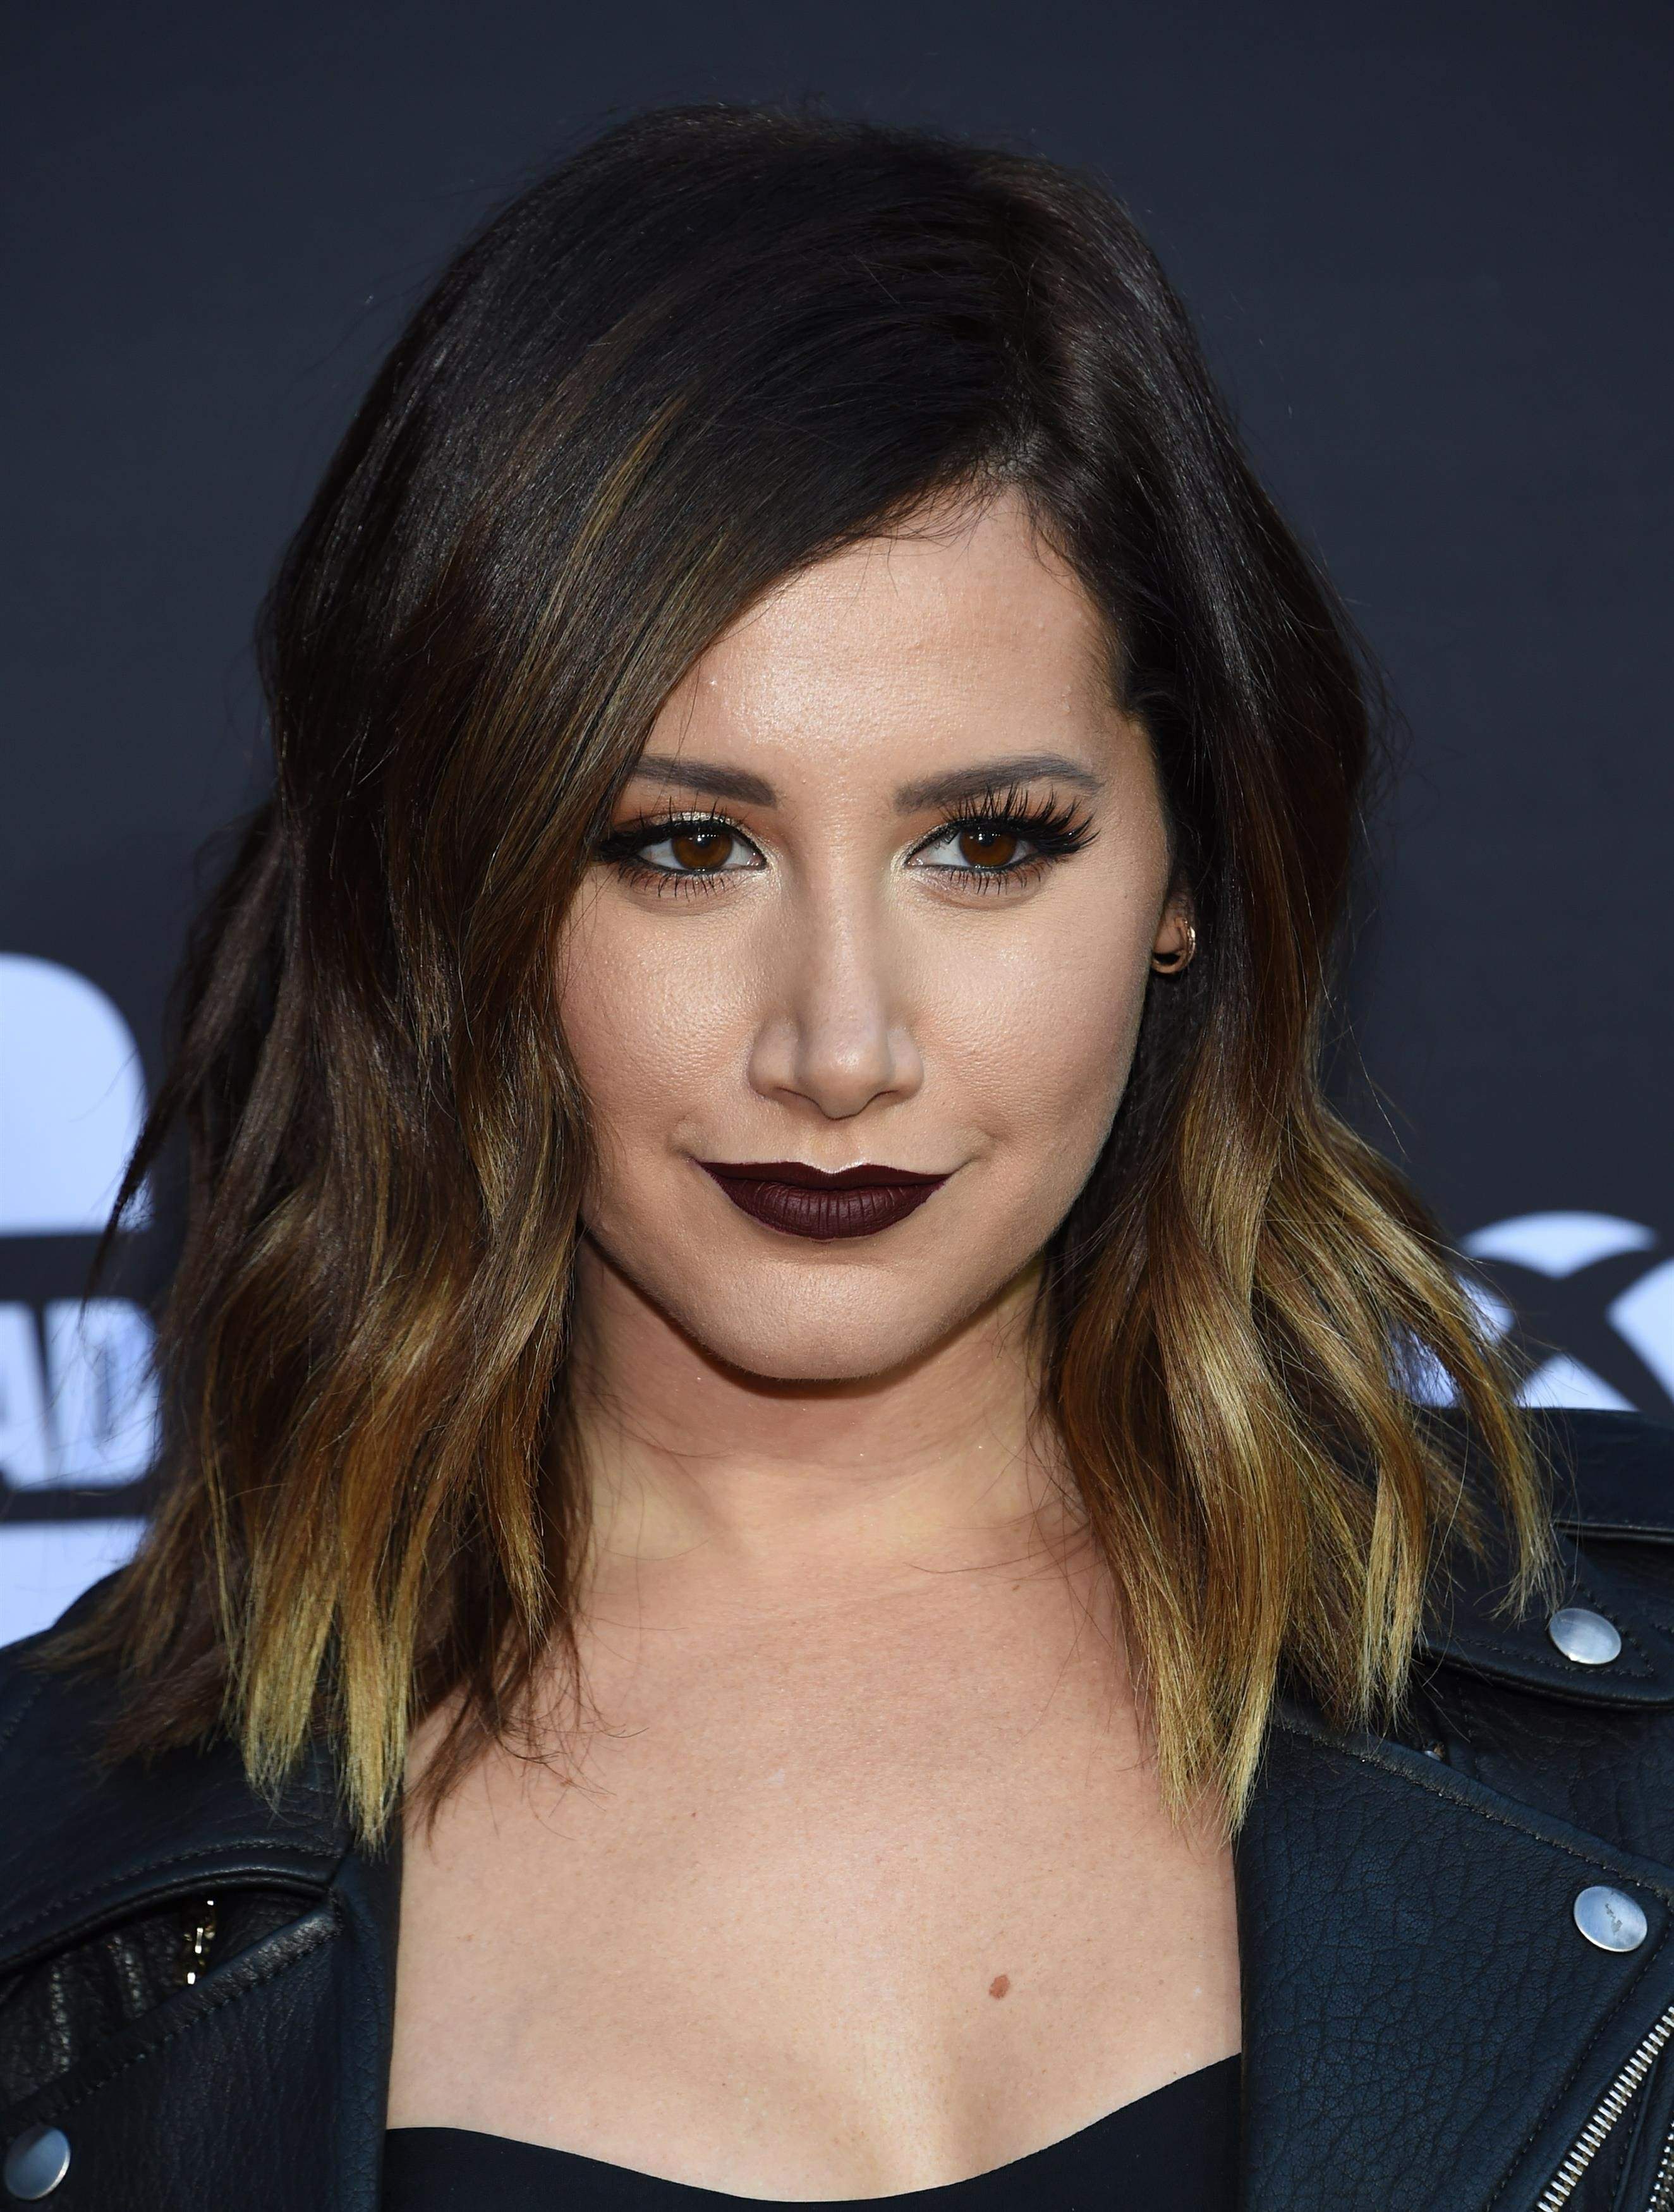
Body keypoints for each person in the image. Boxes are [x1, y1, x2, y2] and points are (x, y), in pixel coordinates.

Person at [2, 102, 1671, 2212]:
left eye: (987, 842)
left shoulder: (1632, 1732)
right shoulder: (65, 1886)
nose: (839, 1047)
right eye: (681, 845)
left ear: (1183, 871)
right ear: (453, 883)